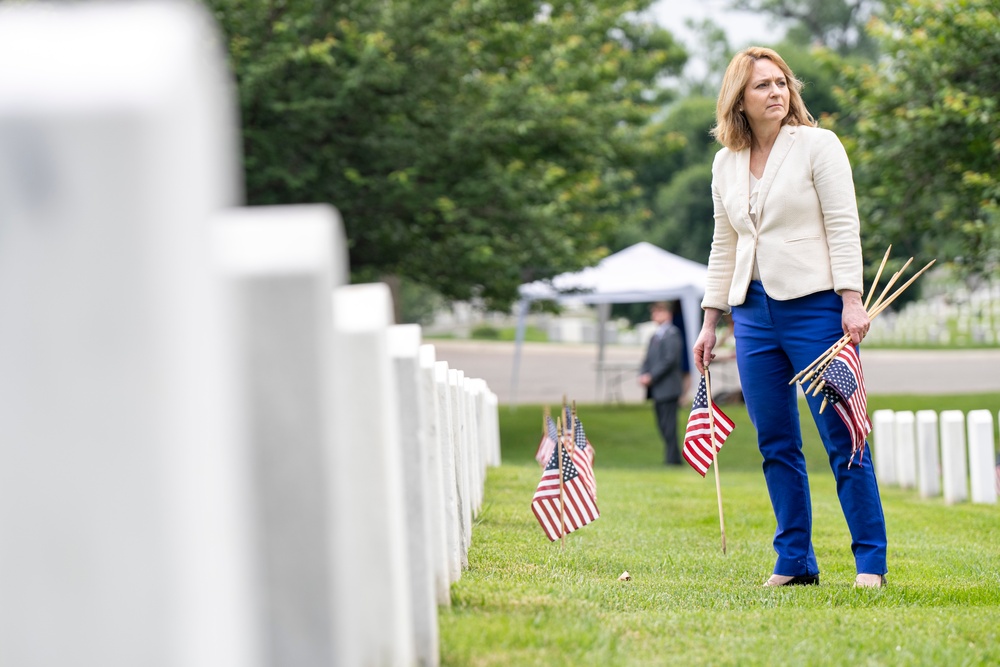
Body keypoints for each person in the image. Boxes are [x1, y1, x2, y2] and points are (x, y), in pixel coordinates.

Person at [692, 47, 887, 588]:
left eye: (782, 83)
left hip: (817, 309)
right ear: (739, 99)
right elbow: (723, 243)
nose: (776, 92)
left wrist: (852, 298)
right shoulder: (724, 162)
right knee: (775, 441)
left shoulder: (819, 146)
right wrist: (711, 320)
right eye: (763, 86)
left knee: (843, 435)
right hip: (751, 316)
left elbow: (844, 225)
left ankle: (870, 562)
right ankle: (795, 562)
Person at [639, 301, 683, 465]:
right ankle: (671, 456)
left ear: (667, 314)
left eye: (658, 312)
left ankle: (673, 460)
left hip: (669, 387)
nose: (655, 316)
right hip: (657, 389)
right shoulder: (654, 336)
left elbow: (669, 360)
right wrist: (643, 374)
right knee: (662, 424)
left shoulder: (672, 334)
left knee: (669, 424)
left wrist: (652, 376)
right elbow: (647, 359)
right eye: (654, 313)